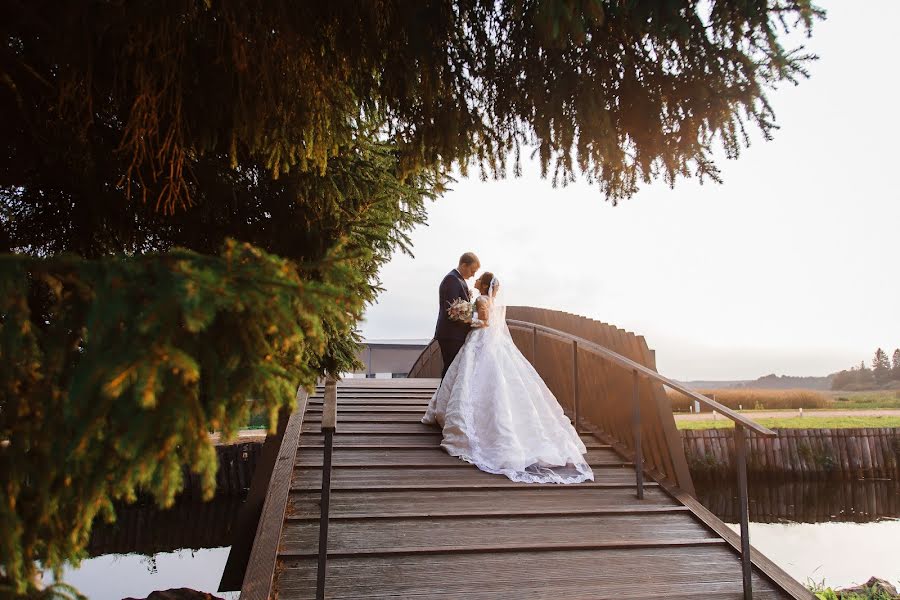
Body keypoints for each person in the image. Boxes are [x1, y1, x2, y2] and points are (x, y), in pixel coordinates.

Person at [423, 271, 593, 484]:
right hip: (489, 343)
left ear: (484, 285)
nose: (474, 280)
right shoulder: (490, 300)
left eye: (478, 279)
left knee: (471, 378)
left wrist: (465, 318)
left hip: (479, 341)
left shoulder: (482, 299)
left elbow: (484, 322)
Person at [434, 252, 480, 377]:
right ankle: (444, 396)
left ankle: (446, 396)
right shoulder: (452, 279)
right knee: (450, 370)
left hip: (455, 334)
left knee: (453, 370)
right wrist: (474, 322)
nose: (473, 275)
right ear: (464, 265)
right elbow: (452, 311)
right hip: (451, 334)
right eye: (472, 270)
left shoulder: (457, 279)